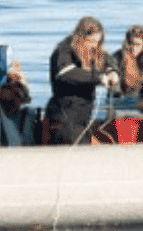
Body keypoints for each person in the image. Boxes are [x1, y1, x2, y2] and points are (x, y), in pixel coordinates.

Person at [47, 16, 115, 144]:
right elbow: (66, 73)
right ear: (80, 37)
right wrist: (98, 78)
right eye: (90, 41)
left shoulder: (94, 51)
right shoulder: (63, 51)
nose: (94, 45)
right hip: (64, 115)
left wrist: (112, 72)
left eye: (97, 42)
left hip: (84, 114)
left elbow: (108, 61)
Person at [108, 24, 143, 109]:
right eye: (131, 43)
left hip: (142, 101)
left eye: (137, 45)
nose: (133, 48)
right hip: (120, 100)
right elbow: (115, 89)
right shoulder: (116, 57)